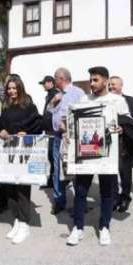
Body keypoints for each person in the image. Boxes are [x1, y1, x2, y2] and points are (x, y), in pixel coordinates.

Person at [67, 66, 129, 247]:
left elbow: (128, 124)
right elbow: (74, 122)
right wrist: (68, 131)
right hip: (85, 154)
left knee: (107, 193)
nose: (91, 83)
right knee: (80, 192)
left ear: (106, 81)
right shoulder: (84, 99)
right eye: (91, 80)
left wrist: (122, 128)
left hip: (107, 155)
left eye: (95, 80)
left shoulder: (117, 100)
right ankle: (78, 228)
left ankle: (104, 227)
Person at [0, 77, 42, 244]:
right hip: (9, 151)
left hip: (24, 152)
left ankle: (24, 225)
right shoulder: (6, 107)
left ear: (20, 88)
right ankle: (16, 220)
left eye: (14, 88)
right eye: (9, 88)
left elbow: (39, 123)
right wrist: (1, 130)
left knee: (22, 189)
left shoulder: (28, 105)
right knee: (9, 188)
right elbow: (1, 124)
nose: (11, 91)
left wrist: (27, 131)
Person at [48, 67, 85, 215]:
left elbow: (83, 113)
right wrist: (53, 102)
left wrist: (70, 127)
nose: (54, 81)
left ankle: (79, 201)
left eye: (55, 78)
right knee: (58, 170)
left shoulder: (78, 92)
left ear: (61, 78)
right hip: (57, 136)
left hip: (72, 137)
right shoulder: (57, 94)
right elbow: (49, 111)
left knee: (75, 169)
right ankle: (59, 201)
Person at [109, 76, 133, 212]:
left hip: (125, 142)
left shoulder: (130, 100)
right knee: (111, 172)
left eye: (114, 85)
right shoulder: (105, 100)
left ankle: (125, 198)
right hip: (110, 142)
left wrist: (125, 118)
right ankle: (114, 197)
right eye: (110, 85)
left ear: (121, 86)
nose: (111, 87)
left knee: (125, 173)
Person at [40, 75, 58, 188]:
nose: (43, 85)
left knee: (53, 157)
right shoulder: (49, 95)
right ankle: (52, 180)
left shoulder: (56, 94)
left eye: (44, 83)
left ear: (50, 82)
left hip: (53, 131)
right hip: (48, 130)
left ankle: (54, 181)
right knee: (50, 157)